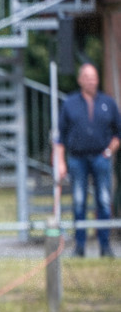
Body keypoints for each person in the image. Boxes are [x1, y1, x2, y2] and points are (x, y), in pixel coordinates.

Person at [55, 62, 121, 257]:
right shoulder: (69, 103)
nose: (91, 81)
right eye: (87, 77)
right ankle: (80, 246)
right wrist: (60, 162)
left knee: (103, 200)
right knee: (78, 201)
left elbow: (118, 134)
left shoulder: (108, 103)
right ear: (80, 79)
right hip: (77, 159)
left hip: (101, 158)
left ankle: (105, 246)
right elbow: (60, 137)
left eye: (94, 77)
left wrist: (109, 152)